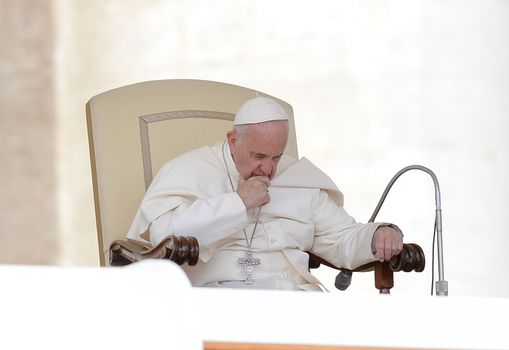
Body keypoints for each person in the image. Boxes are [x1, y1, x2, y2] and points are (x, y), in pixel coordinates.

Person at [127, 96, 403, 291]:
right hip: (217, 299)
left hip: (291, 298)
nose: (268, 169)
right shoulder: (190, 169)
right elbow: (164, 234)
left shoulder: (298, 178)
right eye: (258, 155)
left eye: (277, 157)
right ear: (233, 141)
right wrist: (237, 202)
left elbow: (342, 238)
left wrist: (378, 234)